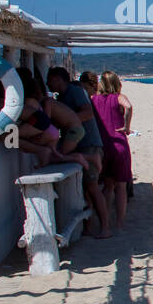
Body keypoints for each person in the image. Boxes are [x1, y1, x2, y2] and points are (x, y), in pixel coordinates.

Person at [46, 66, 112, 238]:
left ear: (58, 79)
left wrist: (70, 121)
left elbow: (88, 112)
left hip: (88, 144)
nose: (47, 83)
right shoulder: (63, 96)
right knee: (85, 189)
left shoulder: (74, 91)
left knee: (92, 187)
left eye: (50, 79)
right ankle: (89, 226)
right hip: (80, 145)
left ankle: (105, 227)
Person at [93, 71, 134, 231]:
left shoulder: (93, 99)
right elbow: (129, 106)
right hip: (118, 142)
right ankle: (119, 222)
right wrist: (127, 126)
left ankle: (105, 221)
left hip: (102, 144)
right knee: (121, 186)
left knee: (107, 185)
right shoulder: (118, 97)